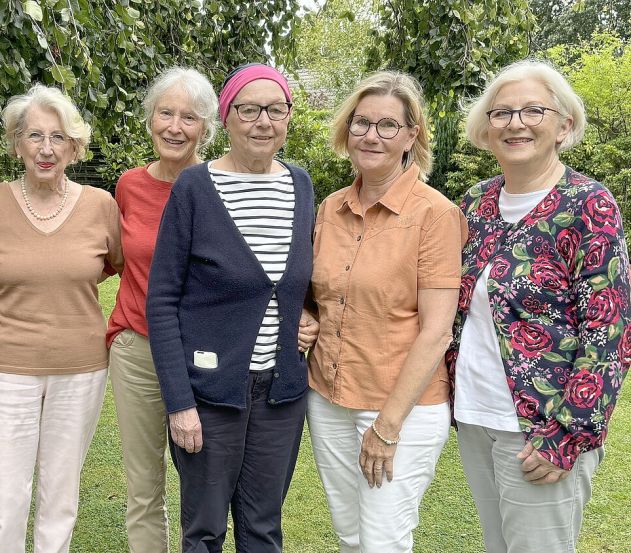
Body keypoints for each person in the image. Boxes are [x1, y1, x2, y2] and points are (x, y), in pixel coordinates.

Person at [447, 59, 630, 553]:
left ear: (563, 125)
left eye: (533, 110)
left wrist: (567, 435)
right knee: (498, 545)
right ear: (486, 128)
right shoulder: (475, 205)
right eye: (502, 113)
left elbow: (609, 329)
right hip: (476, 417)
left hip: (541, 428)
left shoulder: (588, 204)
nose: (516, 123)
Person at [146, 63, 315, 552]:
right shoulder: (195, 188)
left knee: (263, 527)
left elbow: (297, 283)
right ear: (227, 116)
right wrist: (180, 404)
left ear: (287, 117)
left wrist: (310, 313)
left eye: (275, 109)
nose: (263, 121)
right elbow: (161, 301)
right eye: (248, 109)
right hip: (209, 394)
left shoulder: (300, 185)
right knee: (204, 530)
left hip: (280, 394)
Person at [0, 84, 123, 553]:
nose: (46, 149)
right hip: (4, 367)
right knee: (3, 498)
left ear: (74, 146)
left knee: (60, 495)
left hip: (82, 368)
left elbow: (115, 264)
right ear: (16, 143)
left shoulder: (101, 206)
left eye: (58, 137)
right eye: (34, 136)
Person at [306, 71, 465, 553]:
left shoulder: (434, 214)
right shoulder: (330, 208)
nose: (371, 135)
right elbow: (321, 295)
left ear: (411, 136)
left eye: (388, 125)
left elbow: (437, 333)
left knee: (383, 542)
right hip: (328, 398)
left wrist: (387, 426)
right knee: (351, 534)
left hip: (401, 408)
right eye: (361, 123)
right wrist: (307, 316)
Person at [106, 66, 218, 553]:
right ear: (150, 119)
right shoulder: (128, 186)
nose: (174, 126)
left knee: (204, 484)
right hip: (137, 348)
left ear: (206, 129)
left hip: (203, 355)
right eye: (165, 112)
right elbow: (109, 257)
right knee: (143, 486)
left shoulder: (219, 186)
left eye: (188, 117)